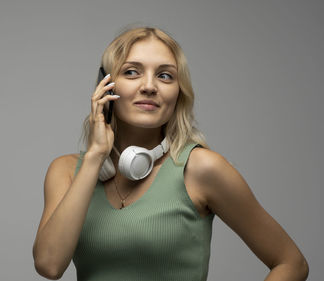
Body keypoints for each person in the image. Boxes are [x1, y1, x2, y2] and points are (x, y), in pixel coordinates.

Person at [32, 26, 308, 281]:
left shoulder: (201, 168)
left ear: (178, 93)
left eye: (165, 75)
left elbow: (291, 263)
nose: (149, 86)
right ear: (106, 87)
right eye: (131, 72)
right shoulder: (67, 171)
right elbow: (49, 265)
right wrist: (95, 157)